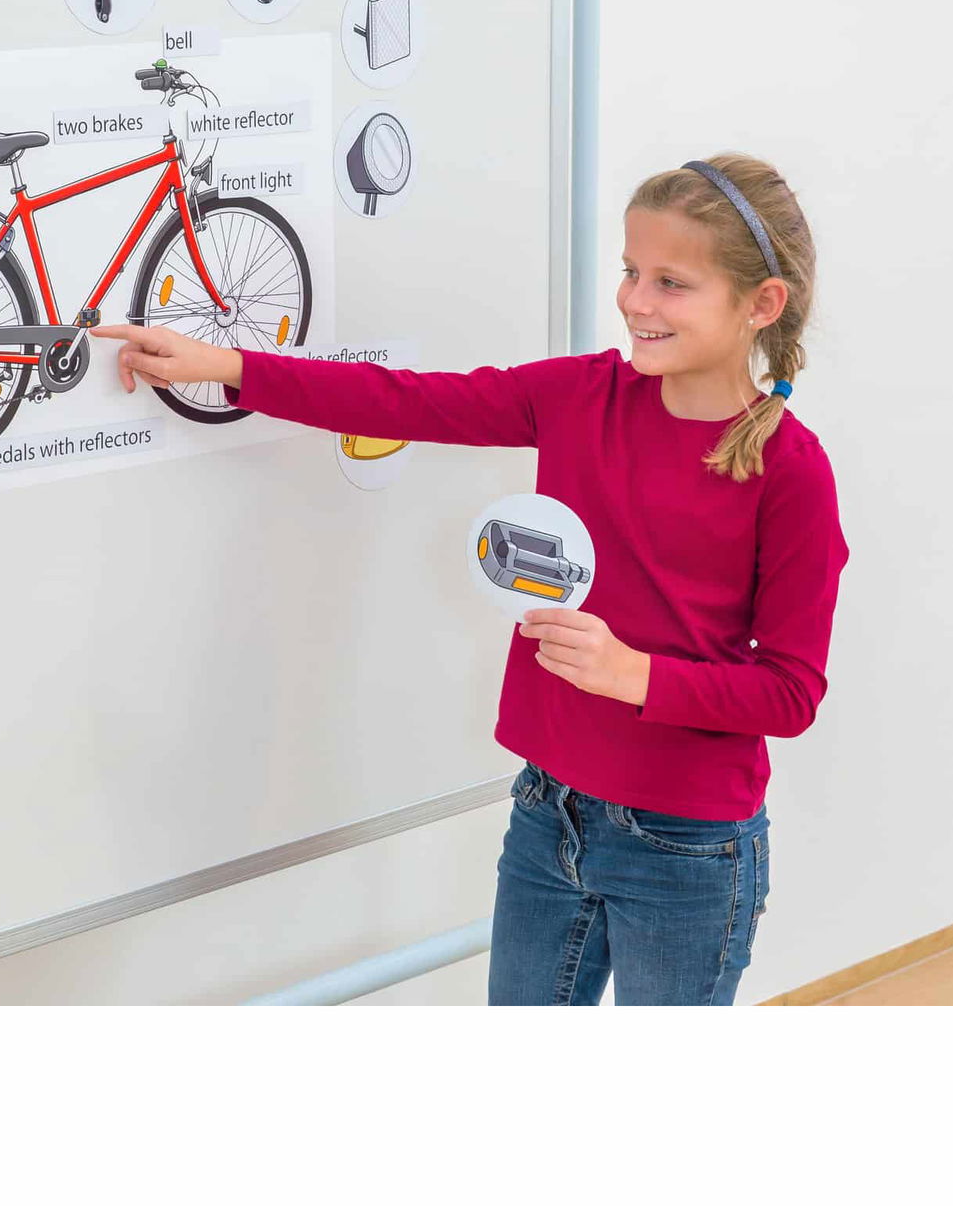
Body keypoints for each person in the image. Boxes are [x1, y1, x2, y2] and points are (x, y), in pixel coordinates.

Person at [91, 153, 849, 1006]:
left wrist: (633, 674)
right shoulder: (581, 395)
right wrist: (227, 366)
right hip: (548, 813)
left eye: (671, 283)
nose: (635, 300)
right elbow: (405, 401)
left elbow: (790, 693)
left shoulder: (790, 471)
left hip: (687, 849)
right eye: (631, 271)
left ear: (761, 304)